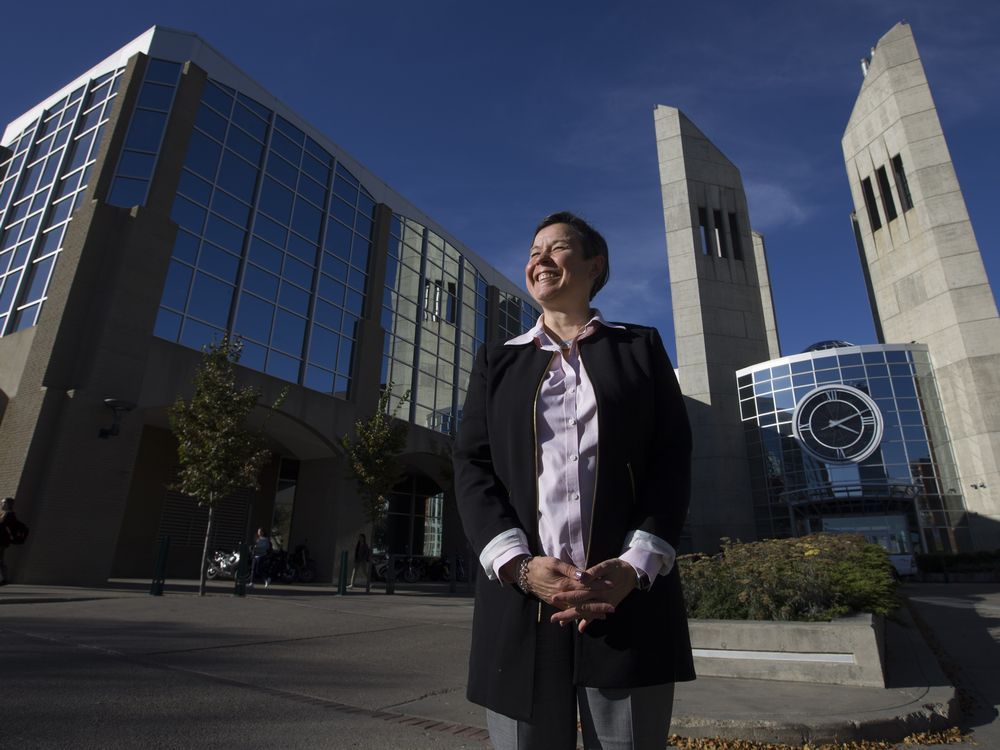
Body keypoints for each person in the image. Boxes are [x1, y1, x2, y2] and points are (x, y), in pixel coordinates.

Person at [454, 212, 695, 749]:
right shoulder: (497, 361)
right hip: (522, 603)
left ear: (593, 265)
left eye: (556, 248)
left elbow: (671, 459)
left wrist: (636, 567)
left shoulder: (640, 349)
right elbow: (472, 466)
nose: (539, 259)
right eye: (534, 249)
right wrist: (517, 566)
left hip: (623, 599)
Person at [0, 496, 26, 586]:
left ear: (8, 504)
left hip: (2, 541)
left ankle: (3, 579)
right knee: (1, 560)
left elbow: (3, 526)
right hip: (2, 541)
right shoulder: (4, 514)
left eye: (3, 503)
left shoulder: (10, 515)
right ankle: (3, 579)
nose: (1, 504)